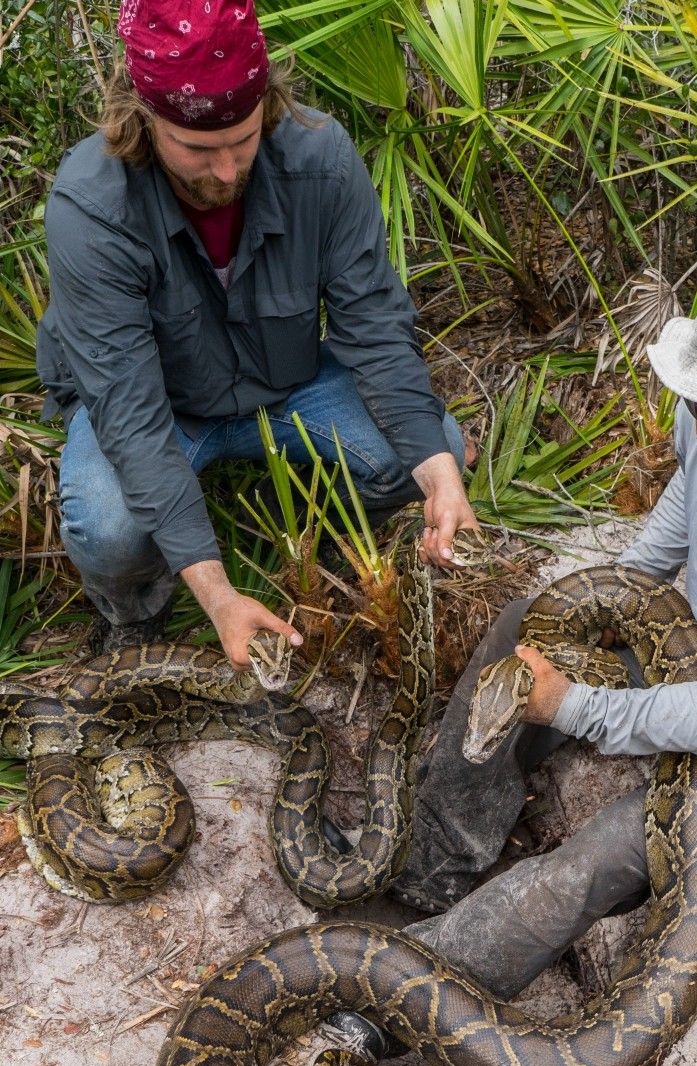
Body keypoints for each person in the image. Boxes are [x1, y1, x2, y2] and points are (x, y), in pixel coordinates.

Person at [331, 270, 697, 1054]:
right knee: (521, 628)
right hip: (691, 656)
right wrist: (590, 615)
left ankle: (405, 997)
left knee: (597, 859)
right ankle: (430, 870)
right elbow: (663, 542)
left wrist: (572, 704)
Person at [35, 0, 479, 666]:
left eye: (241, 143)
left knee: (432, 447)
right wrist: (216, 595)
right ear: (142, 117)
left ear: (268, 106)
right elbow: (130, 417)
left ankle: (323, 541)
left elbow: (376, 330)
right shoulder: (90, 207)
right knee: (108, 528)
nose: (224, 172)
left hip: (283, 384)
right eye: (197, 149)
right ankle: (138, 610)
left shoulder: (321, 159)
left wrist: (444, 477)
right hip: (163, 410)